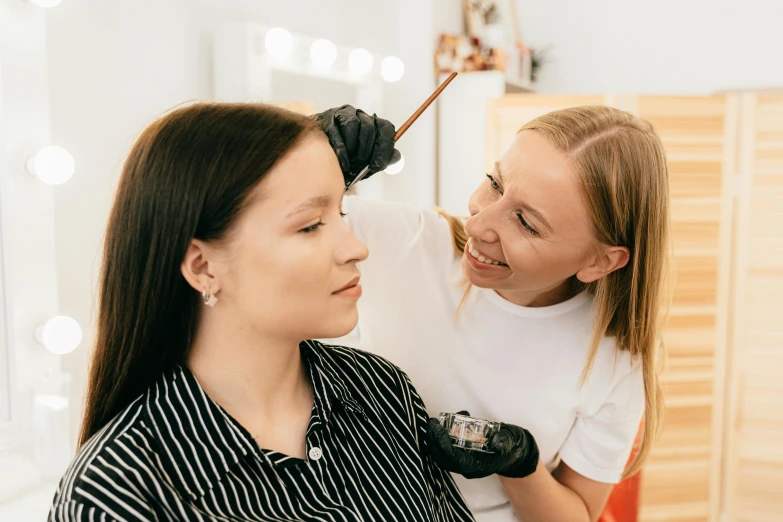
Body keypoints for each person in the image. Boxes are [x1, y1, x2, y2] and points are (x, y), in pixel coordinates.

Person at [49, 103, 475, 522]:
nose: (356, 248)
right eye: (309, 225)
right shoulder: (113, 495)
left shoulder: (381, 391)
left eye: (340, 212)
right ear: (202, 266)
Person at [315, 104, 670, 522]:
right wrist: (308, 156)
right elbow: (246, 223)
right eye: (495, 183)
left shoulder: (612, 358)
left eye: (527, 223)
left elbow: (576, 516)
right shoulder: (408, 245)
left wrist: (518, 463)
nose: (481, 223)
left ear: (601, 262)